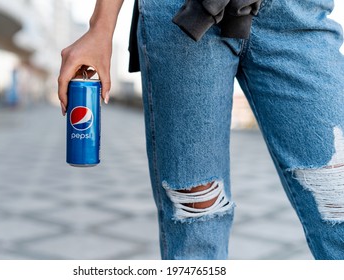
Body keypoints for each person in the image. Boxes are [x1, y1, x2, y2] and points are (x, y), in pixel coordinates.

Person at [58, 0, 344, 260]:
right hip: (183, 16)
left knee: (338, 205)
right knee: (197, 226)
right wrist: (100, 27)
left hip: (296, 14)